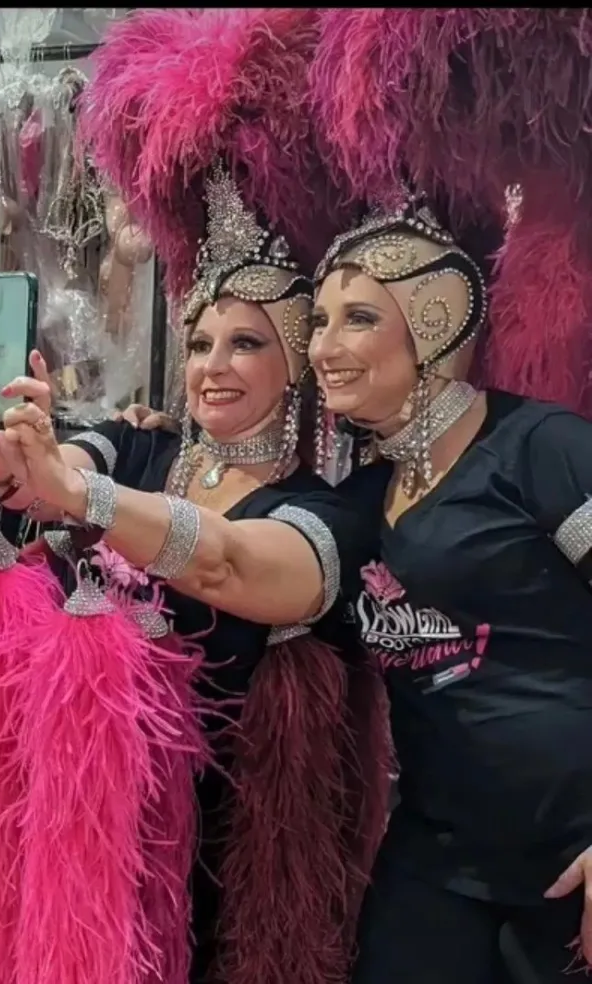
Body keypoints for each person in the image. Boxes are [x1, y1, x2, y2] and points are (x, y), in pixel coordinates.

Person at [0, 10, 392, 983]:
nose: (214, 366)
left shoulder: (340, 502)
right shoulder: (144, 451)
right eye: (198, 341)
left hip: (253, 851)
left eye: (247, 343)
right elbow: (55, 484)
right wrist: (14, 455)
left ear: (298, 365)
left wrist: (82, 497)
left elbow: (237, 563)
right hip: (122, 835)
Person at [303, 9, 592, 983]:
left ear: (430, 327)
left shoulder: (542, 448)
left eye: (355, 319)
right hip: (434, 863)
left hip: (572, 869)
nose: (322, 347)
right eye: (316, 321)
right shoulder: (371, 488)